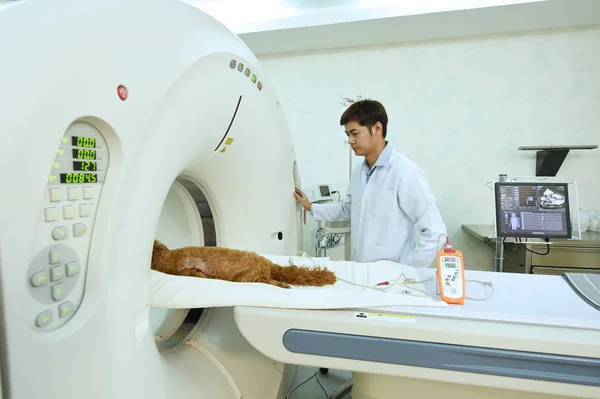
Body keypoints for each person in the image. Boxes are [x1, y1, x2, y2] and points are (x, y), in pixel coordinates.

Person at [293, 99, 447, 268]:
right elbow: (348, 210)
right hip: (359, 270)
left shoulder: (405, 172)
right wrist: (311, 207)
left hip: (392, 278)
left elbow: (435, 234)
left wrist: (406, 270)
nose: (350, 140)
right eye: (348, 135)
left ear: (377, 129)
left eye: (355, 133)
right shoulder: (359, 171)